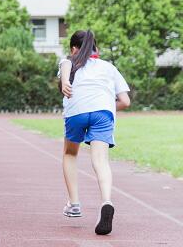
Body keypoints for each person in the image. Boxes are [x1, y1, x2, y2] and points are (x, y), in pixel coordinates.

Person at [58, 30, 130, 235]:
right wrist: (104, 104)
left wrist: (65, 82)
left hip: (76, 111)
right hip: (103, 112)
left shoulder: (70, 62)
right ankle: (106, 201)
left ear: (73, 49)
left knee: (70, 153)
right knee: (101, 161)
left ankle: (74, 204)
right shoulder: (109, 67)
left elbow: (66, 63)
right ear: (96, 49)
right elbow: (125, 101)